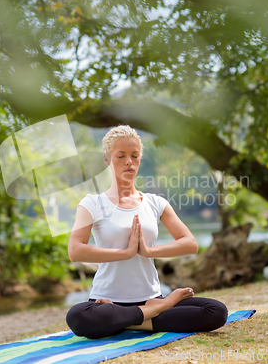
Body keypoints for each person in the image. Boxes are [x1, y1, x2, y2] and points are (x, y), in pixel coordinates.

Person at [66, 124, 228, 339]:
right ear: (107, 159)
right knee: (78, 317)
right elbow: (75, 251)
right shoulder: (92, 203)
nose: (129, 162)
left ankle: (129, 321)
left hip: (151, 297)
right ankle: (152, 313)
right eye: (121, 156)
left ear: (140, 158)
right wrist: (125, 253)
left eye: (134, 155)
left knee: (216, 311)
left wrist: (148, 251)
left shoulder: (155, 202)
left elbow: (190, 243)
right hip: (107, 302)